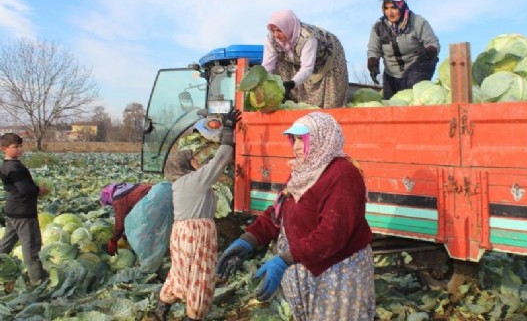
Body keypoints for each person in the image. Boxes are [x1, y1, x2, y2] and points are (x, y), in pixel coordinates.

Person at [217, 112, 375, 321]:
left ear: (323, 138)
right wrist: (248, 240)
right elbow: (280, 211)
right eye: (294, 139)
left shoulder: (342, 174)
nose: (296, 146)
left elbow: (332, 234)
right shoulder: (304, 171)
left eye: (303, 139)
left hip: (336, 272)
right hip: (304, 264)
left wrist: (284, 260)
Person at [154, 108, 241, 321]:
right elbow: (220, 160)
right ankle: (194, 315)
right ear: (186, 166)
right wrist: (228, 130)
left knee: (180, 271)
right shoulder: (195, 181)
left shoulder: (178, 183)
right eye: (193, 160)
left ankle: (161, 307)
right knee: (200, 276)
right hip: (197, 234)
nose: (197, 162)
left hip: (181, 233)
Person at [262, 9, 349, 109]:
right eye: (273, 31)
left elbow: (307, 68)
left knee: (331, 102)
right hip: (297, 57)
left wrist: (290, 84)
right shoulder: (272, 39)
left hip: (327, 56)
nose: (276, 34)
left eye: (279, 30)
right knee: (279, 62)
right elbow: (267, 65)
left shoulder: (308, 37)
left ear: (287, 27)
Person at [367, 0, 440, 100]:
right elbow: (373, 49)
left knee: (414, 97)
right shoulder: (378, 26)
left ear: (402, 6)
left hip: (417, 65)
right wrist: (373, 65)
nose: (389, 12)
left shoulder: (417, 22)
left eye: (394, 8)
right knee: (390, 102)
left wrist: (428, 52)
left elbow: (433, 43)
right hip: (391, 71)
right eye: (386, 8)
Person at [0, 133, 48, 286]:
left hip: (13, 210)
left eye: (20, 146)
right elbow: (25, 190)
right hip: (23, 213)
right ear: (4, 149)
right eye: (15, 147)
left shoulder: (6, 165)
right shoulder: (15, 167)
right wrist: (39, 190)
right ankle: (37, 279)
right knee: (31, 246)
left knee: (6, 243)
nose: (20, 149)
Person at [99, 182, 153, 255]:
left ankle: (150, 257)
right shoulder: (124, 189)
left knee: (149, 230)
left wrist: (113, 240)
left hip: (152, 200)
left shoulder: (119, 199)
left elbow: (120, 222)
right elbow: (131, 217)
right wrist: (125, 236)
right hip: (156, 192)